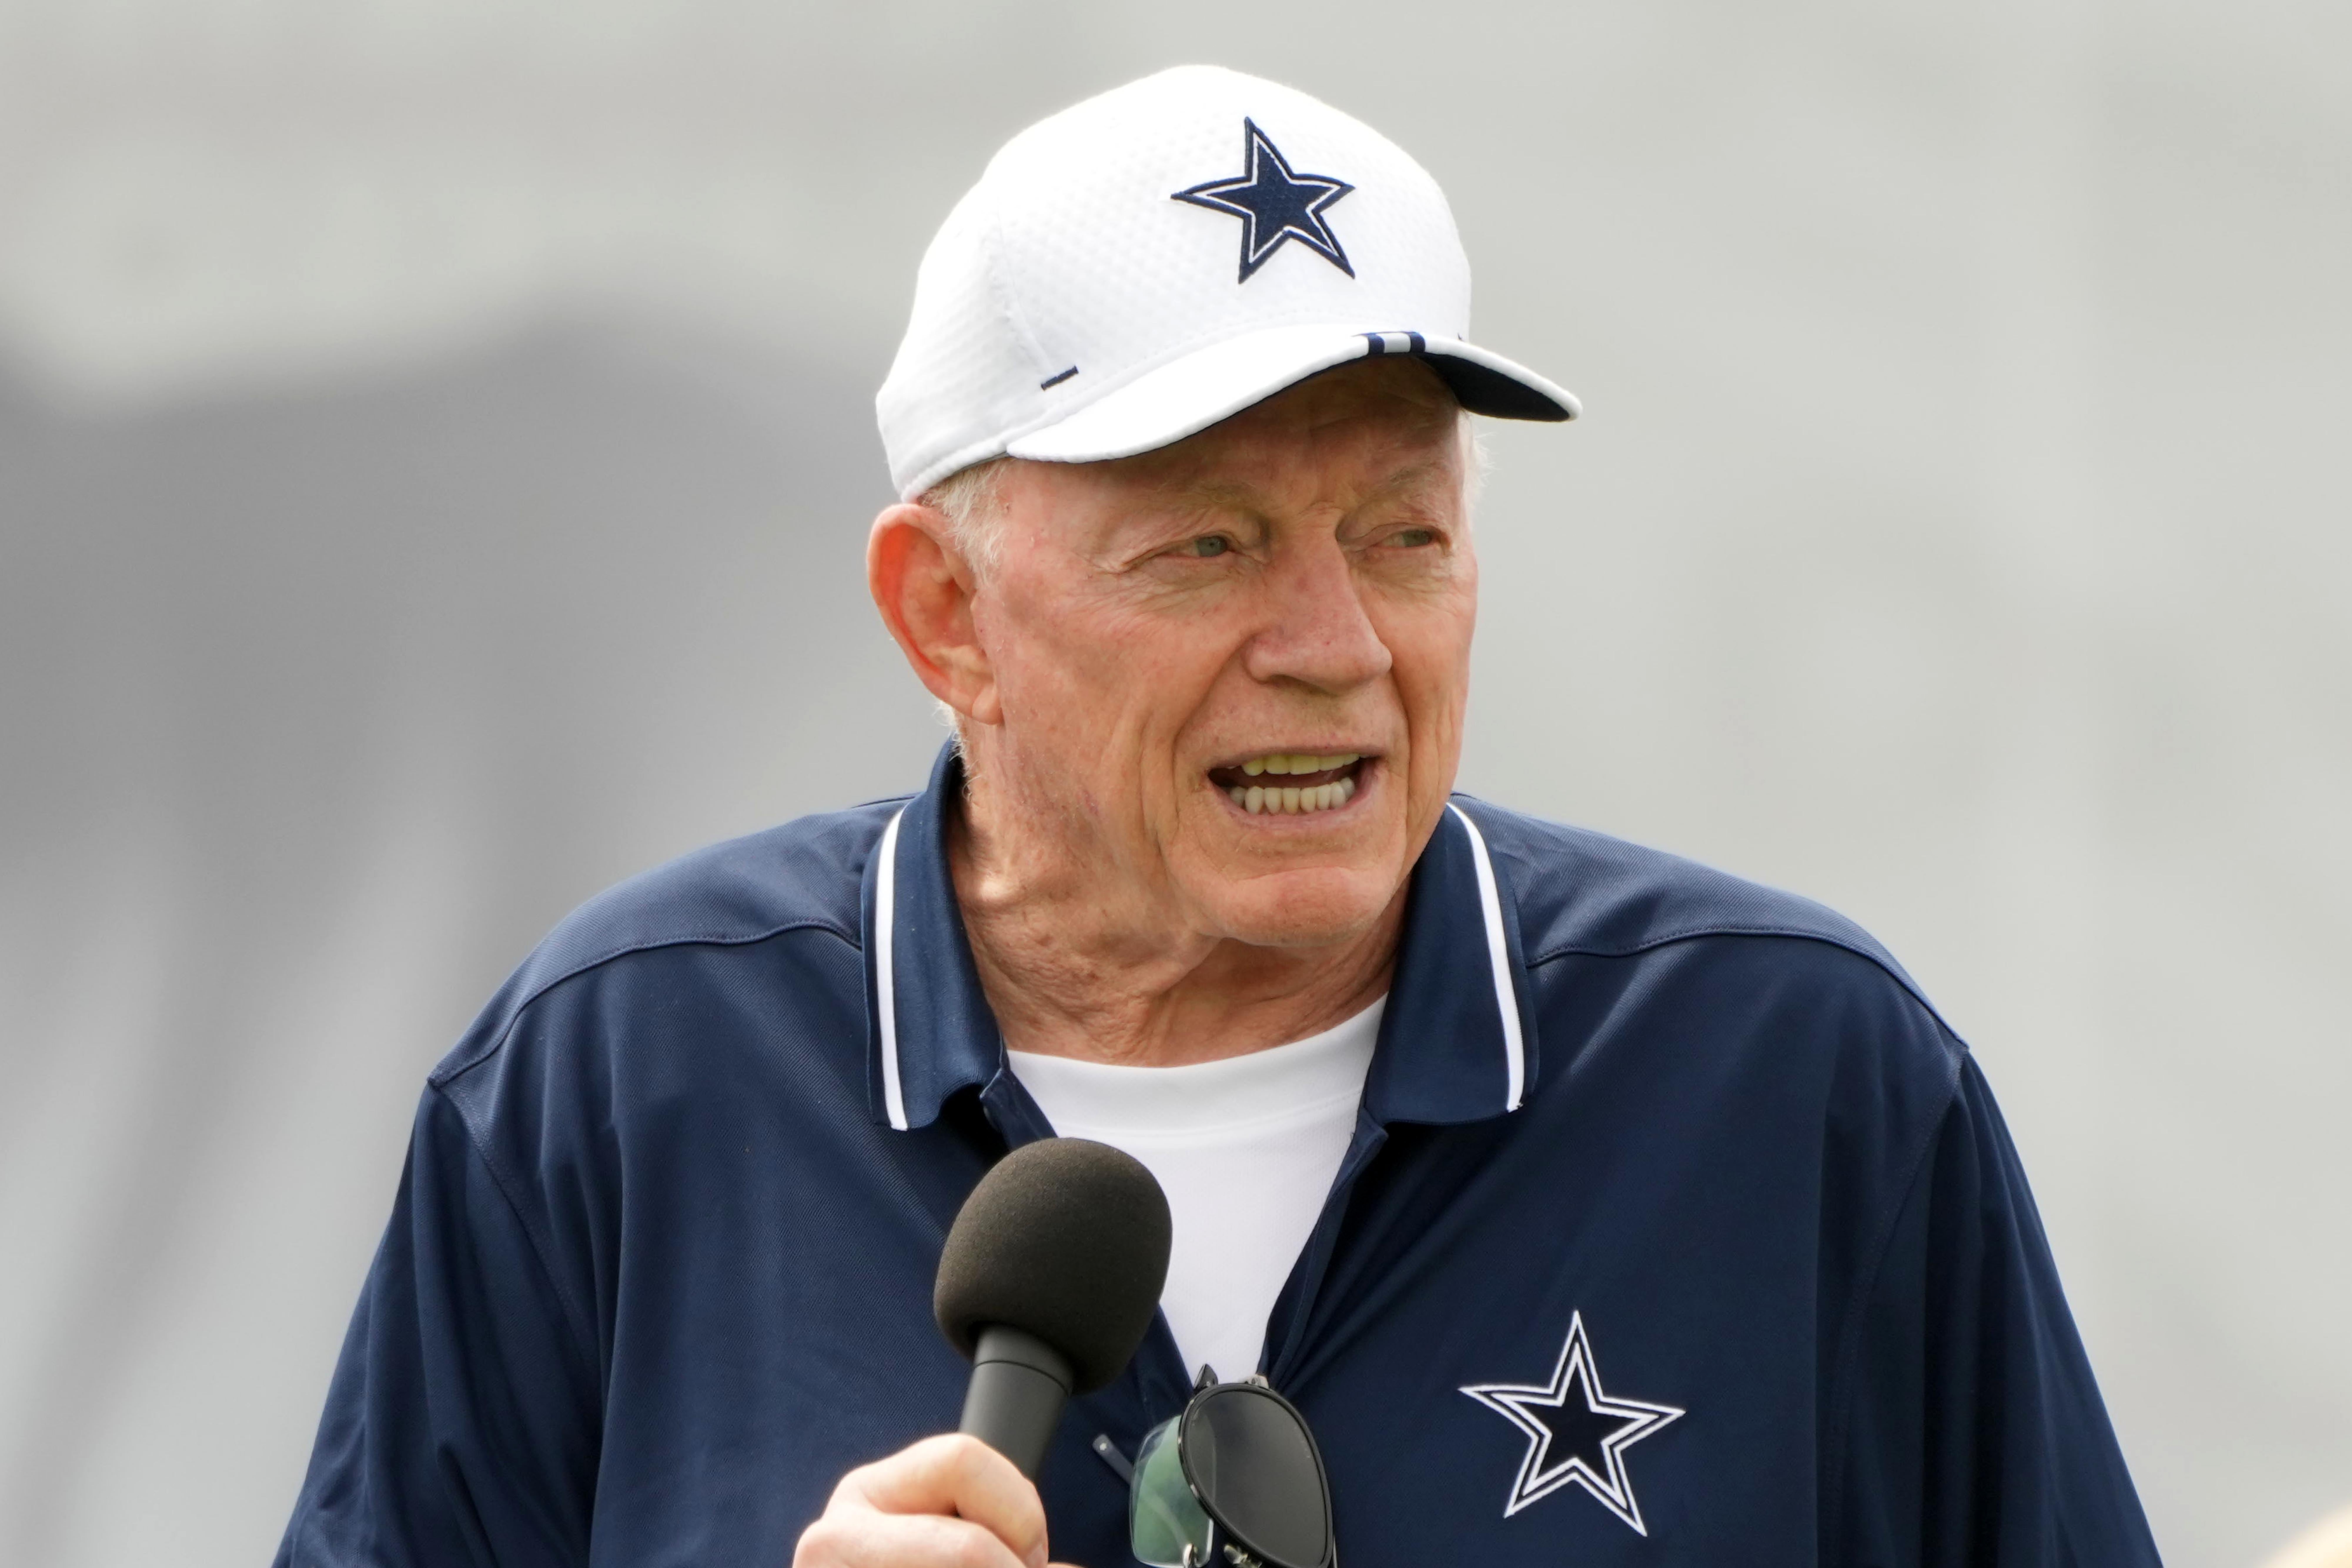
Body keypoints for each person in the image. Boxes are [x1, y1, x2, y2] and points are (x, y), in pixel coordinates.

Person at [275, 65, 2160, 1568]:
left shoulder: (1799, 1076)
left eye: (1400, 535)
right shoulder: (613, 1076)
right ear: (946, 612)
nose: (1335, 647)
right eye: (1211, 545)